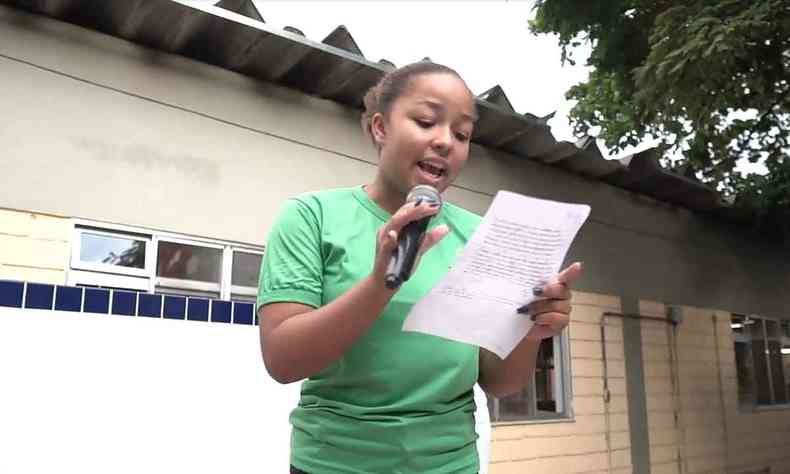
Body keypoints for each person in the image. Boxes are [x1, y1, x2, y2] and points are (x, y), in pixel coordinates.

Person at [257, 61, 581, 474]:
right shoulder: (311, 216)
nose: (445, 141)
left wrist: (533, 332)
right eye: (426, 121)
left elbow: (500, 382)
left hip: (449, 466)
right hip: (332, 464)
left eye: (462, 133)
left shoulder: (482, 236)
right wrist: (380, 285)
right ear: (380, 128)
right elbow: (283, 360)